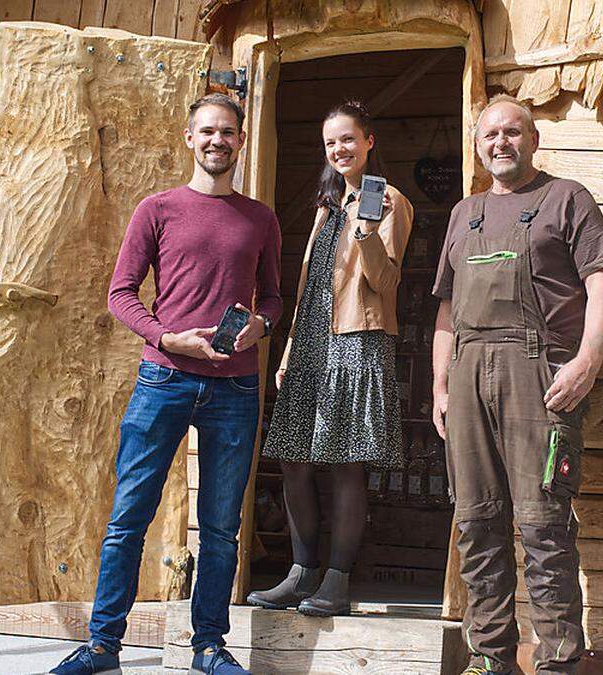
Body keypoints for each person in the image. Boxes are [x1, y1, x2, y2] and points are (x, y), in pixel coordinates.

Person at [51, 94, 282, 675]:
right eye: (207, 131)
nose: (217, 141)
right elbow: (121, 293)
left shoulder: (261, 218)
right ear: (188, 137)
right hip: (165, 379)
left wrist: (263, 325)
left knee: (223, 527)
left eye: (228, 132)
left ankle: (208, 645)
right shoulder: (156, 209)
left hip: (235, 387)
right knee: (130, 516)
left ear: (241, 141)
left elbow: (276, 295)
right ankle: (103, 644)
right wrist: (166, 338)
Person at [431, 95, 603, 675]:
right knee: (476, 524)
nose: (501, 143)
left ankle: (559, 663)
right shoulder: (464, 213)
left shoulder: (567, 200)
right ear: (478, 145)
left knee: (543, 527)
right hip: (466, 377)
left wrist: (586, 363)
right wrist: (440, 388)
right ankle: (490, 658)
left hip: (538, 377)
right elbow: (444, 310)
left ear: (533, 140)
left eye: (513, 132)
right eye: (490, 134)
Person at [248, 101, 413, 616]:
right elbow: (312, 287)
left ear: (369, 141)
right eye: (331, 143)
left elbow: (387, 284)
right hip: (312, 345)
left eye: (348, 139)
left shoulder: (389, 202)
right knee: (293, 459)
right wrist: (291, 348)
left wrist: (365, 237)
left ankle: (337, 581)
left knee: (344, 466)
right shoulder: (325, 206)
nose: (339, 149)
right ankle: (301, 573)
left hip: (356, 343)